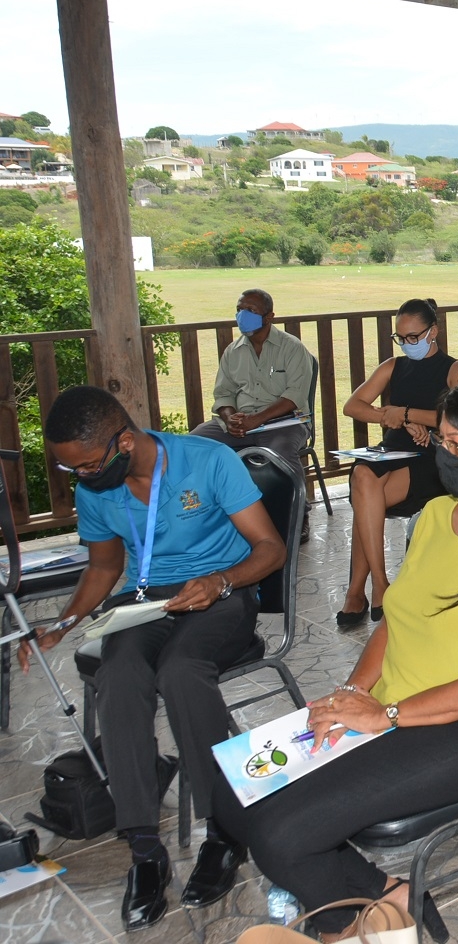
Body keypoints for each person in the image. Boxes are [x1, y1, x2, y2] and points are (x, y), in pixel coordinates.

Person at [210, 377, 458, 943]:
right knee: (231, 791)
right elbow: (396, 618)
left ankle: (356, 921)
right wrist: (354, 694)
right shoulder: (435, 517)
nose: (441, 455)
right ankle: (388, 895)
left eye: (457, 446)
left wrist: (385, 716)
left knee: (282, 835)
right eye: (441, 440)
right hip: (395, 704)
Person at [21, 386, 286, 931]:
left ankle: (225, 832)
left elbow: (270, 548)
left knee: (181, 669)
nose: (84, 479)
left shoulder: (207, 460)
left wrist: (220, 581)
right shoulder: (99, 485)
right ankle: (144, 849)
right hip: (148, 601)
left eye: (90, 465)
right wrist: (64, 621)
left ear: (124, 440)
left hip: (224, 594)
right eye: (73, 471)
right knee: (119, 673)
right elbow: (102, 568)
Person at [336, 298, 458, 629]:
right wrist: (392, 417)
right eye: (401, 338)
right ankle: (379, 585)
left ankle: (359, 591)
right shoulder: (392, 366)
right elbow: (353, 406)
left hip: (431, 459)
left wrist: (411, 414)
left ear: (433, 332)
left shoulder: (455, 369)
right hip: (393, 452)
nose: (407, 344)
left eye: (414, 337)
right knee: (363, 475)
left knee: (364, 491)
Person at [191, 288, 315, 539]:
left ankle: (298, 514)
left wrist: (257, 419)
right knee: (195, 444)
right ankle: (206, 514)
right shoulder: (233, 351)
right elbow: (223, 393)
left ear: (269, 317)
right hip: (242, 421)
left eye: (250, 311)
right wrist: (229, 418)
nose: (242, 316)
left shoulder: (292, 348)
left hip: (285, 422)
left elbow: (295, 397)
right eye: (239, 310)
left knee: (280, 453)